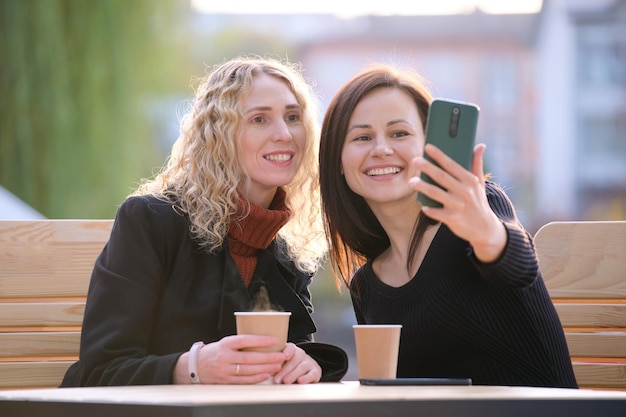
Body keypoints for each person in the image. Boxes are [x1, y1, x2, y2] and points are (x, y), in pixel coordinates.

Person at [61, 56, 348, 387]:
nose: (284, 134)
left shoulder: (287, 249)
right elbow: (100, 371)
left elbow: (287, 369)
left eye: (293, 117)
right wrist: (192, 368)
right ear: (220, 135)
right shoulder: (149, 221)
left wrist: (304, 364)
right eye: (259, 119)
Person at [318, 63, 577, 388]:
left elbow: (518, 266)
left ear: (429, 147)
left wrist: (487, 235)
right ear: (337, 162)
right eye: (362, 137)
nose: (381, 149)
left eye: (400, 133)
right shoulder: (366, 286)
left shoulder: (474, 211)